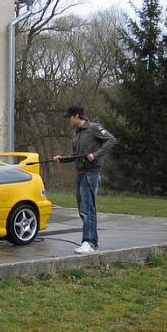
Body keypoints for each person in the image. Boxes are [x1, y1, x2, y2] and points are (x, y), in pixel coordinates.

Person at [54, 106, 117, 253]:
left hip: (91, 174)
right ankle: (92, 242)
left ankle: (88, 242)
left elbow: (111, 140)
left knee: (87, 209)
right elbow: (75, 155)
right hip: (80, 174)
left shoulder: (94, 128)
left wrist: (95, 154)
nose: (68, 120)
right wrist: (62, 159)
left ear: (77, 116)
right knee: (83, 209)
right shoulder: (76, 134)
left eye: (69, 117)